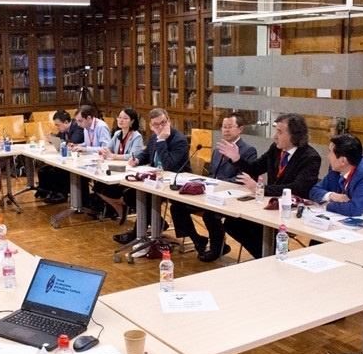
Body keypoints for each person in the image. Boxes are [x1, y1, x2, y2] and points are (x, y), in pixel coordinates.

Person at [223, 113, 321, 259]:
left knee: (250, 225)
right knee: (232, 223)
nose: (275, 136)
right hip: (270, 204)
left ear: (294, 135)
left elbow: (298, 188)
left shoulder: (310, 157)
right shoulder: (276, 149)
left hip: (291, 209)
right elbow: (255, 168)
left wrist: (261, 188)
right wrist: (237, 158)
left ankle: (275, 257)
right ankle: (266, 258)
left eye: (279, 132)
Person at [171, 112, 257, 262]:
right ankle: (198, 239)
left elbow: (243, 178)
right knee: (177, 206)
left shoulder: (248, 150)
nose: (226, 130)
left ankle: (218, 248)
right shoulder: (217, 150)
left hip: (232, 196)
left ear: (240, 129)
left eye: (230, 127)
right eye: (223, 127)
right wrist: (206, 183)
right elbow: (211, 174)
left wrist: (218, 184)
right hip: (210, 193)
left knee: (210, 215)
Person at [114, 108, 190, 245]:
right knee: (130, 195)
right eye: (156, 125)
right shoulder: (154, 137)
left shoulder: (179, 140)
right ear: (150, 125)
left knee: (146, 199)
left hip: (175, 184)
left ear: (169, 121)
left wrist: (161, 141)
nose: (160, 127)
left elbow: (168, 164)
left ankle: (137, 234)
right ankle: (156, 223)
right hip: (157, 181)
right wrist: (137, 160)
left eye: (163, 123)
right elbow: (147, 153)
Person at [309, 134, 363, 216]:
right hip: (341, 218)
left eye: (330, 152)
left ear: (343, 161)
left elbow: (354, 209)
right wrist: (332, 196)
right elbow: (314, 191)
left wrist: (327, 205)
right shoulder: (335, 169)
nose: (328, 156)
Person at [93, 107, 144, 223]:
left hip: (128, 171)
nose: (121, 120)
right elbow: (108, 149)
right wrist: (104, 152)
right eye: (119, 117)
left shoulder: (137, 136)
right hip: (115, 169)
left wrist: (113, 156)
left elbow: (133, 155)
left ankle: (120, 206)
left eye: (125, 118)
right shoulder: (117, 134)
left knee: (107, 188)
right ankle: (118, 206)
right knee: (98, 187)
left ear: (132, 121)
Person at [36, 110, 84, 204]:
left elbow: (72, 143)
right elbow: (60, 140)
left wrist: (60, 141)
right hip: (67, 158)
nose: (57, 127)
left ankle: (61, 195)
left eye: (58, 125)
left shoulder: (78, 128)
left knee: (58, 171)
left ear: (66, 122)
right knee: (43, 171)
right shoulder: (63, 130)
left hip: (78, 160)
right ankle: (47, 192)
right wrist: (53, 138)